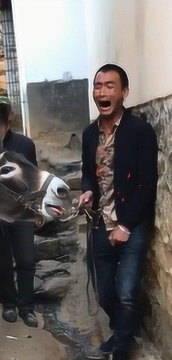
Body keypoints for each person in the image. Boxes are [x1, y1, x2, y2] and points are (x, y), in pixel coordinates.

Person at [80, 64, 158, 360]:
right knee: (105, 295)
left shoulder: (140, 131)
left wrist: (125, 225)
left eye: (110, 86)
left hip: (131, 225)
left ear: (124, 92)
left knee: (126, 291)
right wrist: (87, 190)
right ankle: (123, 329)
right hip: (101, 223)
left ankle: (122, 345)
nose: (102, 91)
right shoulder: (89, 133)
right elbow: (87, 173)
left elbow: (147, 183)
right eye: (98, 86)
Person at [0, 96, 40, 328]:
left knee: (26, 260)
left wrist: (37, 209)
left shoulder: (25, 145)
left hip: (21, 211)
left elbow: (34, 179)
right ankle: (9, 303)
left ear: (10, 117)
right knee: (1, 262)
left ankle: (27, 307)